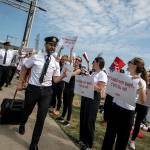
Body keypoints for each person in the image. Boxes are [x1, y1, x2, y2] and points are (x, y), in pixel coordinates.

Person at [17, 36, 67, 150]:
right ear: (45, 45)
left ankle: (34, 143)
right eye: (50, 44)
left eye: (54, 45)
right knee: (27, 111)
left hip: (47, 92)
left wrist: (63, 76)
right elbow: (24, 68)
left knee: (41, 118)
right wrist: (20, 83)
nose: (52, 47)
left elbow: (55, 80)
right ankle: (22, 123)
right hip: (33, 89)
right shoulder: (36, 57)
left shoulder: (55, 62)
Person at [101, 57, 147, 150]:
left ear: (135, 66)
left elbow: (143, 101)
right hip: (115, 108)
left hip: (128, 114)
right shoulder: (124, 76)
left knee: (122, 141)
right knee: (109, 137)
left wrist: (141, 87)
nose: (128, 63)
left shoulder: (141, 82)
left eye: (130, 62)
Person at [79, 57, 108, 150]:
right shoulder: (94, 73)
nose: (92, 63)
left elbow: (99, 88)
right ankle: (82, 139)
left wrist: (88, 79)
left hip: (94, 97)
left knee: (90, 120)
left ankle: (88, 144)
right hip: (86, 95)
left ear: (98, 63)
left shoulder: (102, 74)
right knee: (83, 117)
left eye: (94, 62)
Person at [56, 56, 82, 127]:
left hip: (72, 88)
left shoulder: (79, 70)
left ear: (80, 62)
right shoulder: (72, 67)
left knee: (69, 104)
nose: (76, 60)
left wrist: (66, 71)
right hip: (66, 87)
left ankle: (68, 121)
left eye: (78, 60)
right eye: (76, 59)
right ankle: (62, 117)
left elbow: (72, 74)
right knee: (65, 103)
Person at [129, 68, 149, 150]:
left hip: (144, 106)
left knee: (137, 123)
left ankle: (132, 141)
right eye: (148, 75)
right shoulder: (140, 82)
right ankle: (122, 135)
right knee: (129, 120)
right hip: (135, 104)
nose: (149, 77)